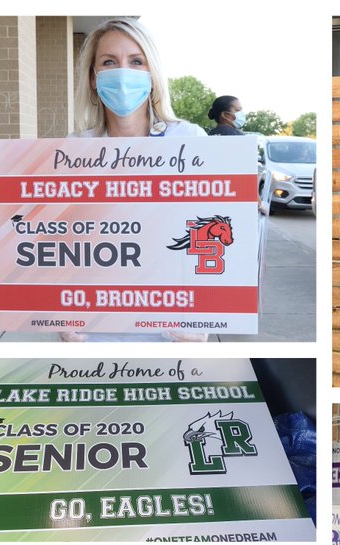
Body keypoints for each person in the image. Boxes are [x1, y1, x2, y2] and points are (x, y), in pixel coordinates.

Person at [64, 17, 208, 342]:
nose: (123, 73)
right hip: (94, 322)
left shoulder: (189, 140)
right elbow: (60, 239)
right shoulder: (73, 149)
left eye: (136, 61)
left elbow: (212, 229)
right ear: (92, 78)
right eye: (109, 62)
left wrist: (206, 315)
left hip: (173, 323)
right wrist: (56, 311)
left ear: (152, 75)